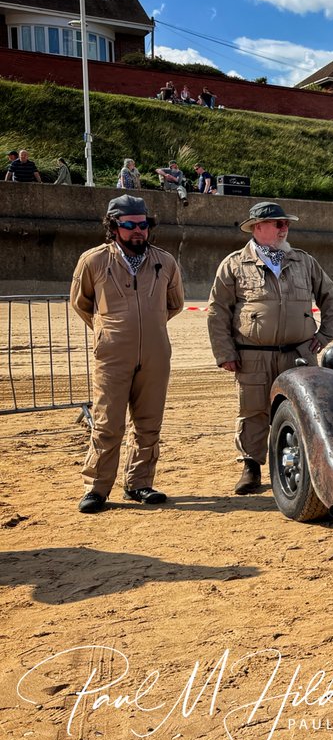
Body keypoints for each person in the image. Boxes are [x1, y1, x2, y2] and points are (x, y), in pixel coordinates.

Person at [207, 202, 333, 494]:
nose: (285, 229)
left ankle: (298, 467)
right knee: (253, 411)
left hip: (298, 355)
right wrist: (225, 353)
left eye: (286, 223)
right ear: (258, 227)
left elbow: (330, 297)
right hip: (252, 355)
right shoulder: (234, 264)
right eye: (278, 223)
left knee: (301, 410)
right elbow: (218, 312)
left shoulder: (303, 261)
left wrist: (324, 335)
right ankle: (251, 468)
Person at [71, 195, 183, 513]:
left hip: (155, 353)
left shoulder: (165, 262)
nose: (138, 231)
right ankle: (96, 488)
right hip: (112, 354)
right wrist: (110, 331)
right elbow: (81, 303)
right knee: (108, 423)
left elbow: (174, 304)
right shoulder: (93, 261)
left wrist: (149, 327)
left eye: (143, 224)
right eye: (130, 224)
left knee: (149, 422)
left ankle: (139, 483)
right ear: (114, 226)